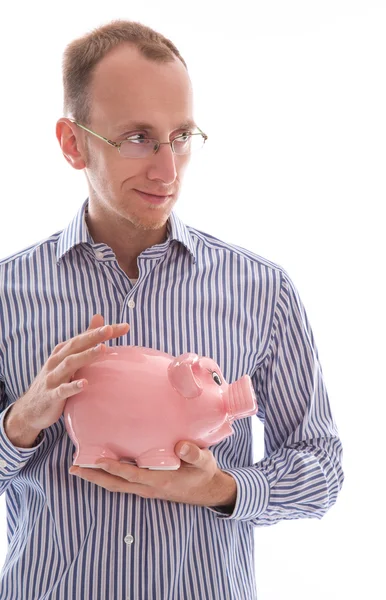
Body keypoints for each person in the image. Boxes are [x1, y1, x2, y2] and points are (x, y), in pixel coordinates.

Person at [0, 19, 344, 600]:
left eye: (180, 136)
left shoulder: (261, 289)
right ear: (72, 142)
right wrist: (21, 423)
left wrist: (222, 488)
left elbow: (322, 470)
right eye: (137, 137)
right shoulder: (8, 293)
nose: (168, 170)